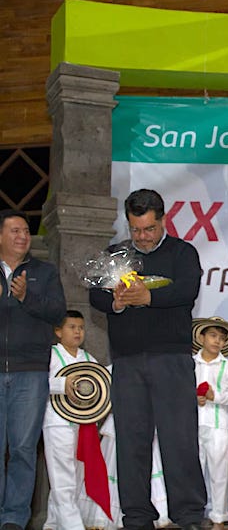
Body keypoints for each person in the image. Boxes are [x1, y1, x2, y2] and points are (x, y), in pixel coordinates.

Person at [89, 189, 206, 530]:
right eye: (136, 229)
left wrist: (148, 296)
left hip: (171, 359)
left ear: (163, 221)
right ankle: (137, 516)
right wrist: (118, 302)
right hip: (126, 361)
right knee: (131, 441)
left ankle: (189, 516)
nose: (142, 236)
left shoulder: (183, 252)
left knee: (180, 440)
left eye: (149, 229)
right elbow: (95, 295)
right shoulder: (116, 255)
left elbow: (188, 290)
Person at [0, 209, 66, 530]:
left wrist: (27, 296)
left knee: (24, 449)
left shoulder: (44, 271)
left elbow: (57, 313)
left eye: (25, 230)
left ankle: (13, 518)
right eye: (14, 230)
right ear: (0, 236)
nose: (22, 236)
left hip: (30, 371)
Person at [42, 310, 104, 530]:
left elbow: (103, 388)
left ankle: (52, 524)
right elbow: (38, 384)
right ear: (58, 331)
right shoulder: (50, 355)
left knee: (76, 478)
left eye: (81, 327)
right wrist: (62, 385)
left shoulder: (89, 359)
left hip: (85, 426)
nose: (78, 332)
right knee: (63, 477)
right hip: (57, 422)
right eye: (72, 327)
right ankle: (73, 526)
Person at [192, 316, 228, 530]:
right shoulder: (189, 363)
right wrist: (194, 397)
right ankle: (193, 514)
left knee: (219, 472)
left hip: (217, 425)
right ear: (202, 337)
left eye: (222, 338)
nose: (217, 341)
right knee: (193, 471)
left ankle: (218, 517)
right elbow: (178, 391)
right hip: (192, 424)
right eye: (213, 336)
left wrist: (215, 396)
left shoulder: (227, 366)